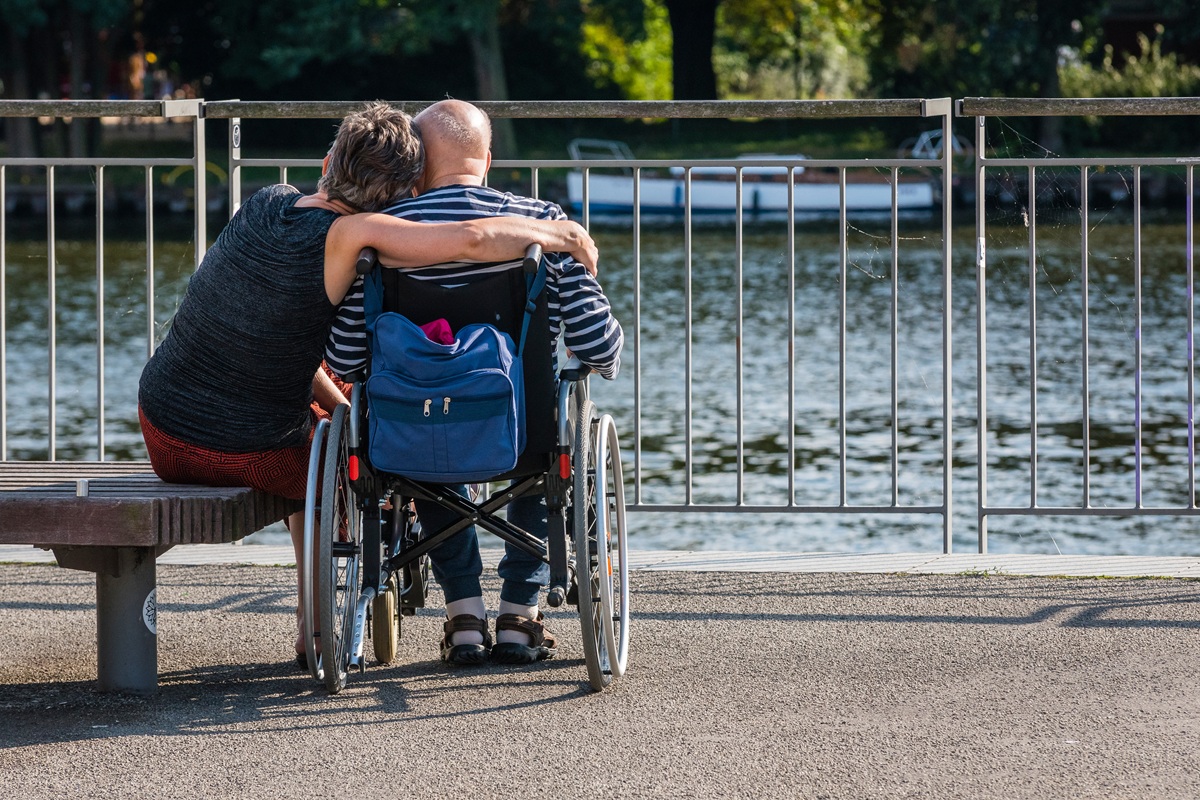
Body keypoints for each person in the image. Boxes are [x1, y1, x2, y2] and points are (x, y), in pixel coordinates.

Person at [136, 101, 598, 666]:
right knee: (327, 477)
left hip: (160, 428)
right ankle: (315, 629)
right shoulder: (356, 233)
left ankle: (444, 600)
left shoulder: (266, 202)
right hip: (245, 451)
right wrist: (558, 231)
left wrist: (338, 406)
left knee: (342, 420)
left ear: (328, 159)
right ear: (403, 194)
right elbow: (474, 240)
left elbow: (270, 343)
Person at [326, 99, 623, 666]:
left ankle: (464, 615)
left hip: (413, 433)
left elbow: (345, 353)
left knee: (428, 417)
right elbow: (597, 346)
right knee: (540, 426)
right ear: (488, 158)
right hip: (526, 434)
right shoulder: (542, 226)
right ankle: (520, 614)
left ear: (416, 166)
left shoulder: (386, 237)